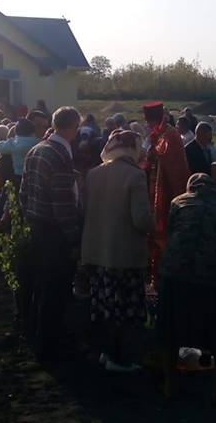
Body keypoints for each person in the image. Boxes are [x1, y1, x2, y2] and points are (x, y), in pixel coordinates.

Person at [157, 173, 216, 402]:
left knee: (170, 330)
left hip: (176, 272)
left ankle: (170, 385)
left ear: (190, 188)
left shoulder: (179, 201)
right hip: (213, 274)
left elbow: (171, 231)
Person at [81, 130, 155, 372]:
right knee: (125, 309)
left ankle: (106, 353)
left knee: (104, 306)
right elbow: (141, 219)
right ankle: (121, 359)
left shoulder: (93, 174)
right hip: (123, 254)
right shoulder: (135, 175)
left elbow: (83, 210)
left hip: (96, 251)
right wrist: (157, 223)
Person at [18, 106, 82, 362]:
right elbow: (62, 203)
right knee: (54, 291)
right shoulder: (59, 154)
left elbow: (24, 191)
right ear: (73, 127)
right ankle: (48, 347)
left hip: (36, 225)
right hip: (54, 232)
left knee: (40, 286)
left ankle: (35, 335)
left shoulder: (37, 149)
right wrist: (74, 237)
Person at [142, 101, 191, 281]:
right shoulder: (158, 134)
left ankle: (165, 275)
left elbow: (175, 168)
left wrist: (155, 154)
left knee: (164, 231)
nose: (147, 125)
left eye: (148, 121)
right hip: (154, 189)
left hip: (167, 191)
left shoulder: (171, 135)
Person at [0, 118, 39, 189]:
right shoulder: (37, 142)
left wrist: (10, 139)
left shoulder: (13, 144)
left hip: (18, 175)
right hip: (34, 175)